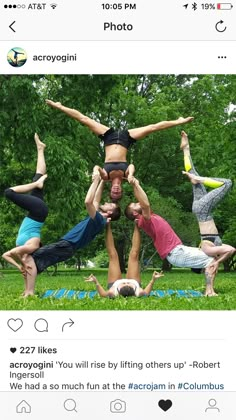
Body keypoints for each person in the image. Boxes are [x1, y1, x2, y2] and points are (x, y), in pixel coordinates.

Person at [46, 99, 194, 201]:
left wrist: (95, 171)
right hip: (125, 139)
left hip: (108, 137)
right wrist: (131, 175)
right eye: (118, 193)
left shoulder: (106, 177)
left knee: (84, 120)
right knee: (152, 128)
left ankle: (59, 106)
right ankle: (179, 121)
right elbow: (131, 166)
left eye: (113, 192)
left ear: (110, 190)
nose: (116, 191)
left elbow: (98, 167)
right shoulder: (126, 176)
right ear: (121, 190)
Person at [20, 173, 121, 296]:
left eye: (109, 204)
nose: (105, 202)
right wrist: (103, 181)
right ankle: (27, 291)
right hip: (67, 246)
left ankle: (29, 292)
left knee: (29, 258)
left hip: (68, 245)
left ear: (110, 212)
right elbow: (95, 200)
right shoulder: (97, 218)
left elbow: (88, 202)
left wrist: (95, 181)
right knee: (30, 260)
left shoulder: (99, 219)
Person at [125, 178, 219, 296]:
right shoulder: (144, 221)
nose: (137, 202)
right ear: (134, 213)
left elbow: (144, 203)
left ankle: (207, 286)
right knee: (211, 260)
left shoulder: (150, 217)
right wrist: (137, 184)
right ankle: (209, 291)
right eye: (135, 205)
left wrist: (134, 185)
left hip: (178, 250)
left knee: (212, 256)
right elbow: (145, 203)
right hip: (175, 252)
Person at [180, 130, 235, 270]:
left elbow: (231, 250)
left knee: (227, 183)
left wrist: (217, 262)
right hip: (201, 209)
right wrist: (218, 261)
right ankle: (186, 149)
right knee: (193, 174)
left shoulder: (207, 251)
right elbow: (228, 249)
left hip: (203, 211)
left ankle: (198, 179)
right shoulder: (212, 250)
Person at [2, 133, 48, 281]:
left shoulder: (25, 249)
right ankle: (36, 184)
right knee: (8, 193)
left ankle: (40, 149)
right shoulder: (31, 248)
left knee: (39, 175)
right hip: (37, 212)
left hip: (36, 211)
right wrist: (20, 264)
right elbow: (9, 254)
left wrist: (21, 266)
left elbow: (6, 255)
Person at [85, 223, 164, 297]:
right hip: (134, 281)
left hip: (115, 283)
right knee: (134, 255)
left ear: (118, 290)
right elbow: (146, 293)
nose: (126, 282)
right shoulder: (138, 292)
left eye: (124, 284)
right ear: (133, 289)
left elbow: (103, 294)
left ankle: (107, 225)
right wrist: (153, 280)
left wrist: (96, 282)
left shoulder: (113, 292)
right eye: (128, 284)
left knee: (113, 256)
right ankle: (137, 224)